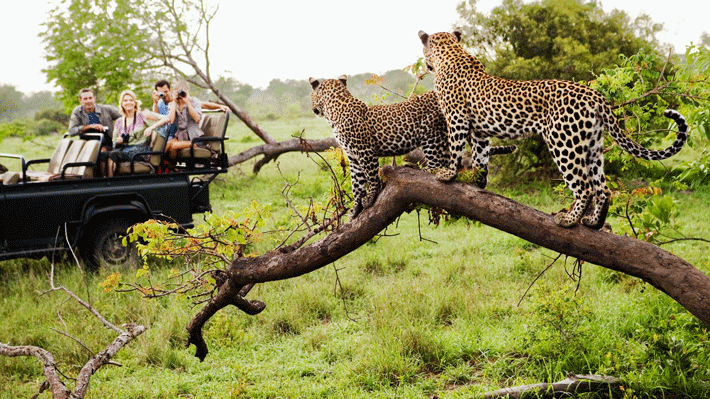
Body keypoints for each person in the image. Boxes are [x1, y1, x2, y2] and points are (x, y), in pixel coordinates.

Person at [106, 90, 161, 177]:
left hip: (140, 151)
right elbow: (114, 142)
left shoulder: (142, 116)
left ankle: (110, 183)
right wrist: (119, 141)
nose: (128, 102)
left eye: (131, 100)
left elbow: (164, 119)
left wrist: (151, 127)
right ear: (122, 103)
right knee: (103, 155)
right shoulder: (118, 121)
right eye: (125, 100)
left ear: (135, 102)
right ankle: (102, 180)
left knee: (114, 155)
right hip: (125, 149)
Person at [145, 81, 206, 160]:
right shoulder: (173, 104)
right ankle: (170, 168)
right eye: (179, 91)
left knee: (172, 145)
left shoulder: (194, 101)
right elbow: (171, 120)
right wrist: (174, 101)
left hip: (195, 139)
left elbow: (197, 119)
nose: (181, 94)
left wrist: (187, 102)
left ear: (187, 91)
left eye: (183, 91)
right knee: (171, 147)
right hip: (181, 138)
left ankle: (153, 162)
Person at [68, 88, 122, 176]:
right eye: (85, 99)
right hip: (88, 145)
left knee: (102, 151)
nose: (88, 101)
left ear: (94, 98)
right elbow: (71, 131)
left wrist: (120, 130)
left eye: (90, 98)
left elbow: (125, 117)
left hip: (106, 143)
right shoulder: (77, 112)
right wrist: (89, 126)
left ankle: (104, 179)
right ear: (80, 100)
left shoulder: (106, 109)